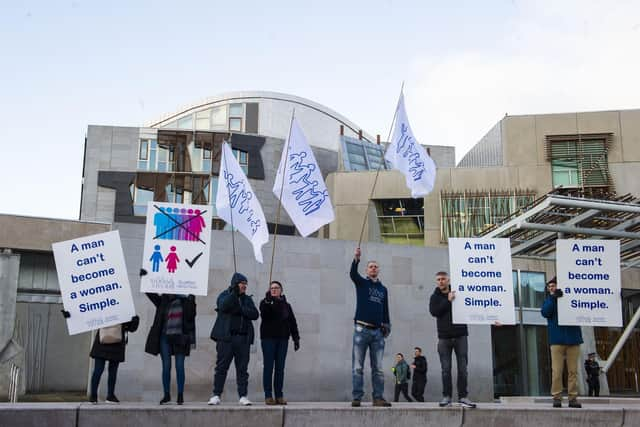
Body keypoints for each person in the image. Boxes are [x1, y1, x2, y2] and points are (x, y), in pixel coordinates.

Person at [143, 268, 197, 406]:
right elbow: (150, 293)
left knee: (179, 366)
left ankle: (180, 395)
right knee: (166, 366)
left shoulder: (186, 299)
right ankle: (166, 394)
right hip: (164, 336)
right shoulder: (164, 299)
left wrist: (191, 298)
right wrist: (145, 277)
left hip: (180, 337)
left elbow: (191, 316)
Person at [61, 310, 139, 404]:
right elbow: (86, 315)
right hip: (113, 342)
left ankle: (100, 396)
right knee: (105, 371)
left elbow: (86, 315)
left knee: (102, 370)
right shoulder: (122, 306)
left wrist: (135, 320)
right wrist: (71, 315)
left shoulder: (110, 305)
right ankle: (105, 396)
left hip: (105, 341)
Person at [349, 247, 392, 407]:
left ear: (378, 270)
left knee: (378, 368)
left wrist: (387, 326)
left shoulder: (383, 289)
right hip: (361, 330)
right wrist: (356, 259)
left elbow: (385, 309)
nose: (373, 268)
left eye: (376, 266)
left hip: (377, 332)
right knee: (358, 367)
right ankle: (357, 397)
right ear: (367, 271)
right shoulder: (361, 283)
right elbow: (353, 274)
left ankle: (378, 397)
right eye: (371, 266)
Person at [209, 272, 259, 406]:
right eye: (243, 284)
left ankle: (243, 395)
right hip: (226, 339)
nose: (245, 286)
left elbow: (254, 314)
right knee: (221, 367)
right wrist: (234, 295)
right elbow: (223, 306)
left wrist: (240, 309)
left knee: (242, 369)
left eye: (246, 284)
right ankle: (216, 395)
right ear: (235, 284)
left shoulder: (247, 299)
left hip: (242, 339)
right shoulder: (224, 295)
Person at [429, 271, 476, 408]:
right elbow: (434, 312)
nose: (441, 281)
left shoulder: (459, 293)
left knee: (463, 369)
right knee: (446, 369)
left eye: (443, 279)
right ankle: (447, 397)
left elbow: (473, 306)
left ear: (448, 280)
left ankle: (463, 397)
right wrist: (448, 301)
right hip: (444, 338)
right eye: (438, 279)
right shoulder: (435, 297)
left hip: (461, 335)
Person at [541, 276, 583, 408]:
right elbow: (545, 312)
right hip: (557, 340)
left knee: (573, 371)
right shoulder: (550, 300)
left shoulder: (572, 298)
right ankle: (557, 397)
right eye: (549, 287)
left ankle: (572, 398)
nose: (551, 288)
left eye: (553, 285)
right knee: (557, 371)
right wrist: (553, 298)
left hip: (573, 338)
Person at [259, 280, 301, 405]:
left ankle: (279, 395)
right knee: (268, 367)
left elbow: (292, 322)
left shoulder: (286, 305)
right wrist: (267, 302)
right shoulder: (265, 302)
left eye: (276, 288)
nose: (274, 290)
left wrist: (296, 338)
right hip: (268, 339)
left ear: (281, 290)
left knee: (280, 368)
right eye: (271, 288)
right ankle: (268, 395)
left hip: (283, 339)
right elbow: (264, 315)